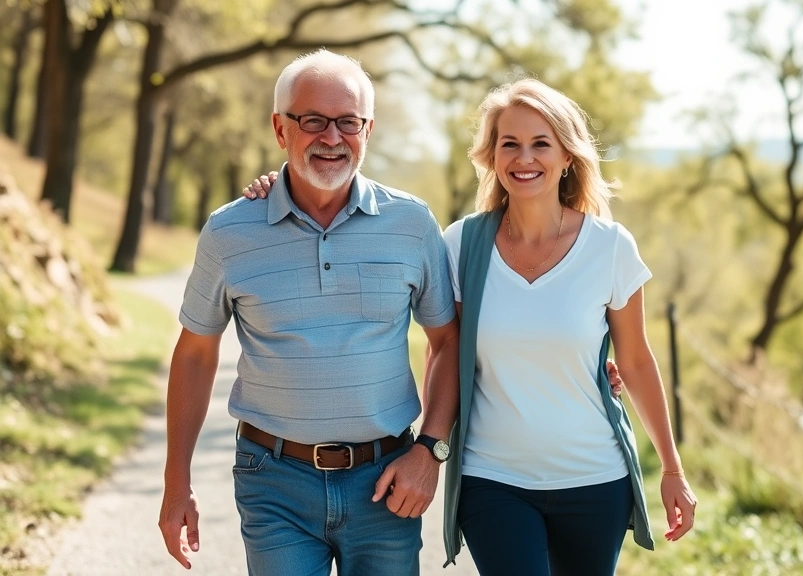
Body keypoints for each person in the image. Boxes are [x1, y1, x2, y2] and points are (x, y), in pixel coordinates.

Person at [246, 78, 697, 576]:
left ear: (567, 155)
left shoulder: (609, 248)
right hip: (493, 480)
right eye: (510, 144)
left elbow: (634, 361)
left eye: (540, 143)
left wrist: (672, 469)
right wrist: (278, 182)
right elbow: (443, 348)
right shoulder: (461, 245)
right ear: (492, 156)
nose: (524, 158)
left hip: (595, 480)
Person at [158, 49, 460, 576]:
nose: (332, 137)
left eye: (348, 122)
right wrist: (175, 481)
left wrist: (430, 451)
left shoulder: (411, 224)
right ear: (280, 129)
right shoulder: (231, 232)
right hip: (273, 478)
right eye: (313, 121)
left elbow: (448, 343)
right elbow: (195, 356)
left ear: (368, 129)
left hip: (386, 479)